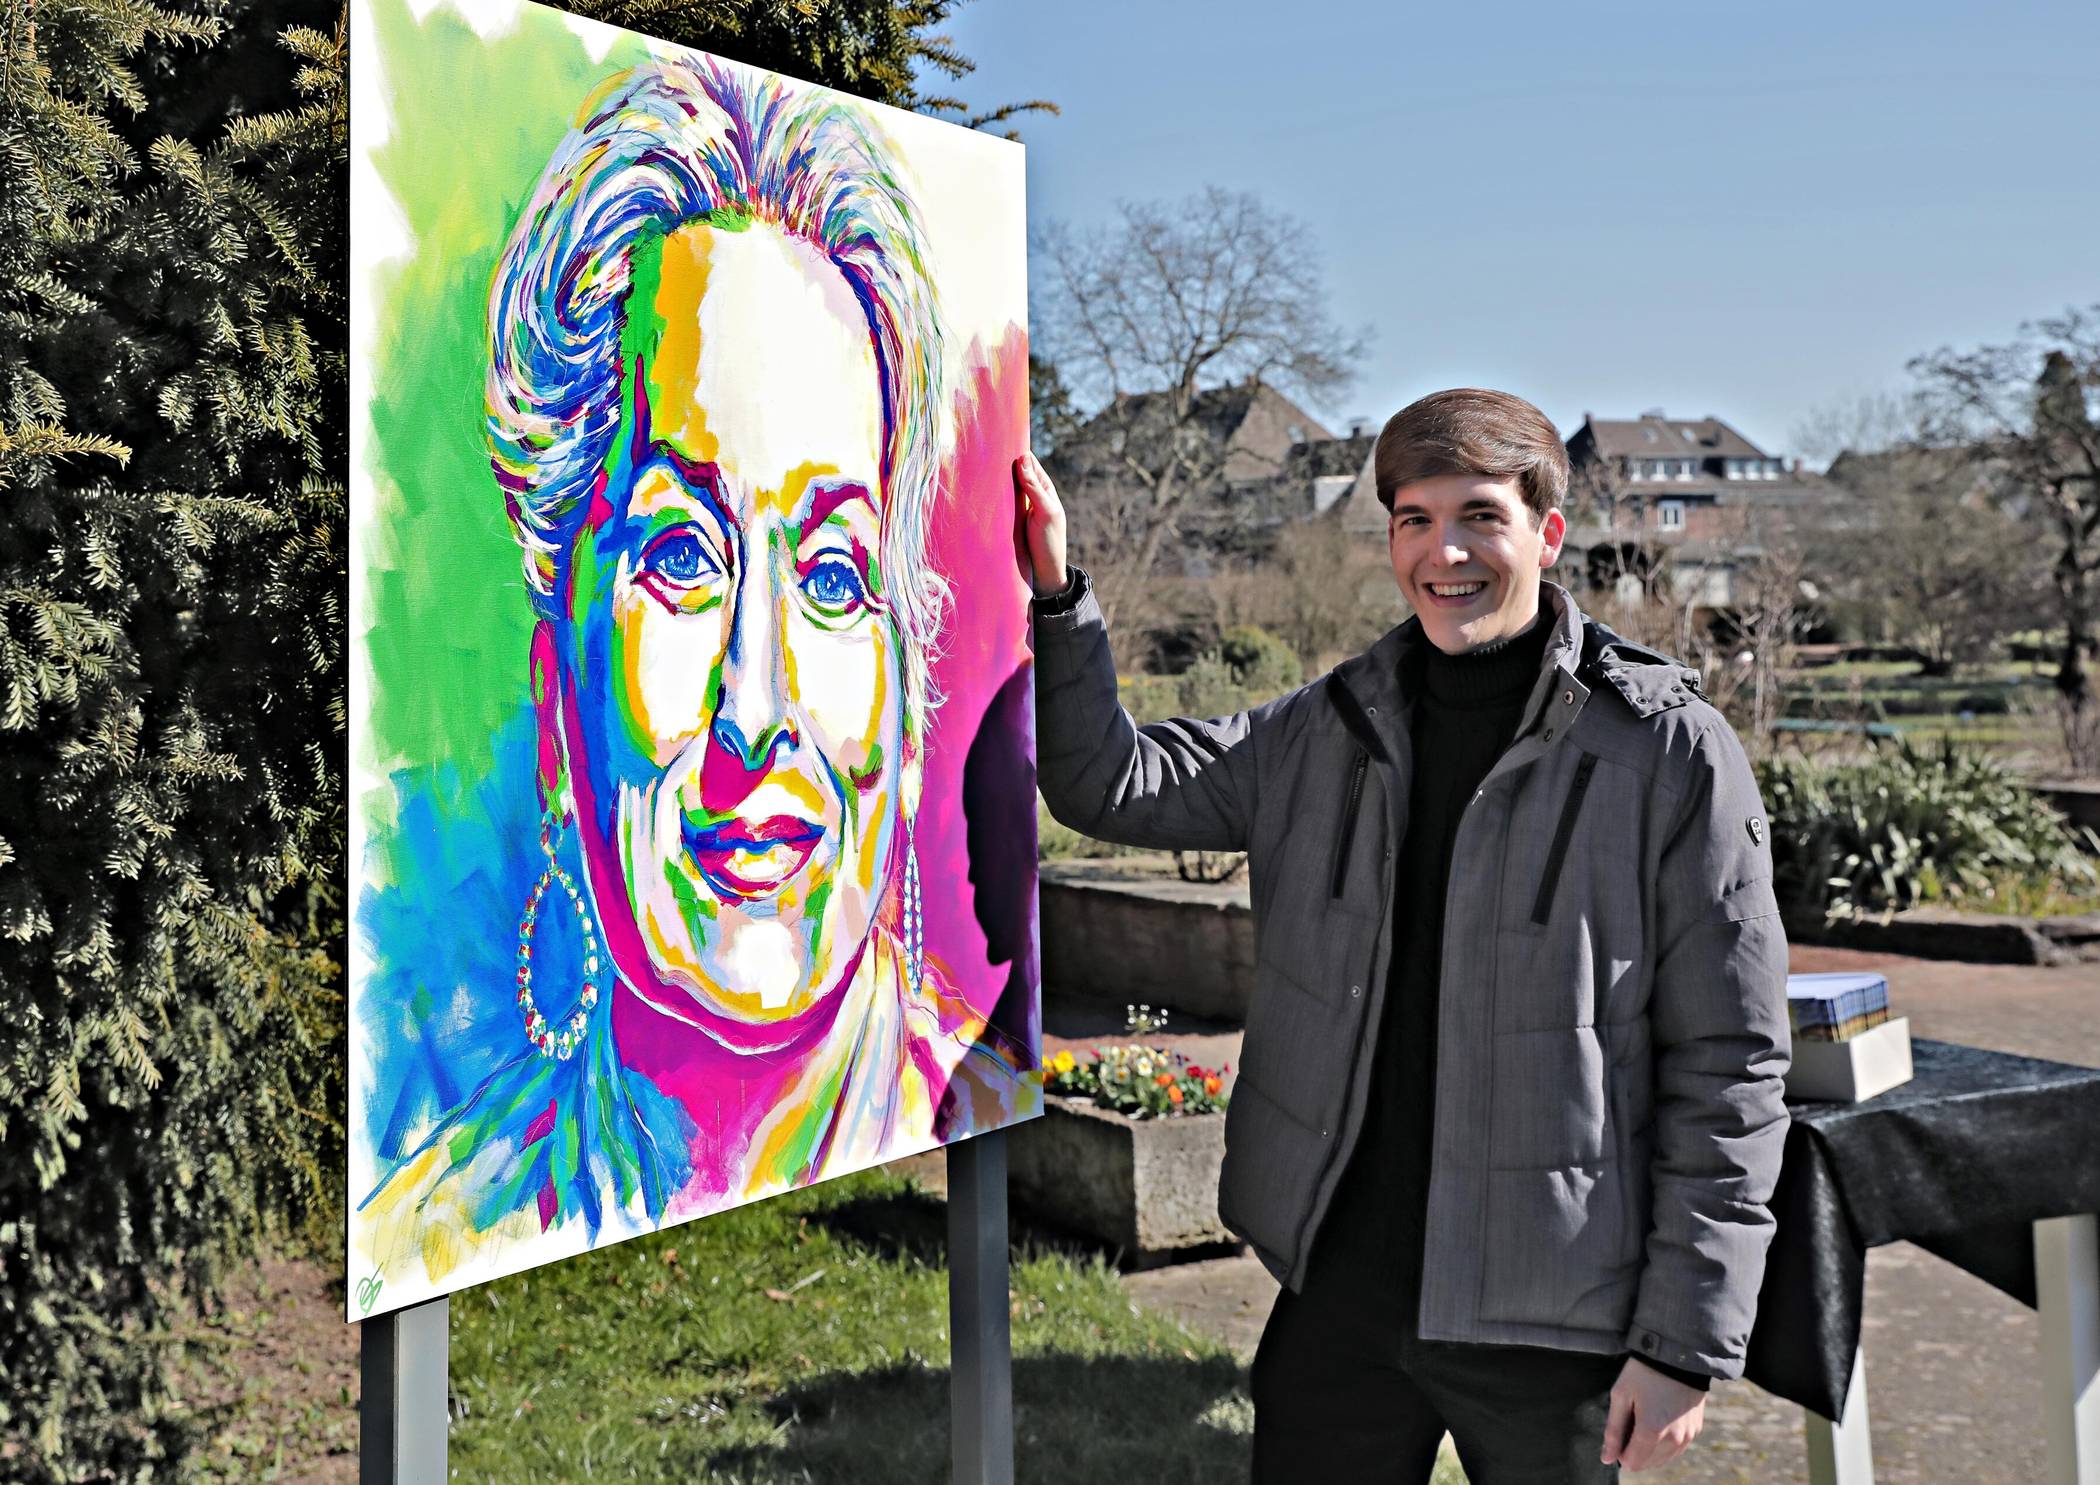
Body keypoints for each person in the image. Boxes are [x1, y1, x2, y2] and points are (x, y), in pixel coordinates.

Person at [1016, 387, 1791, 1480]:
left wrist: (1682, 1345)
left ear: (1546, 533)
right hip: (1341, 1300)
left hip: (1550, 1320)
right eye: (1414, 519)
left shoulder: (1668, 754)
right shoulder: (1322, 727)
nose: (1446, 553)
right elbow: (1114, 783)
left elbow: (1733, 1062)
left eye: (1480, 514)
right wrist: (1057, 598)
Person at [355, 59, 1025, 1288]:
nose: (755, 709)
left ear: (907, 687)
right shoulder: (432, 1220)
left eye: (832, 577)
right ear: (562, 693)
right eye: (681, 558)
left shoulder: (974, 1084)